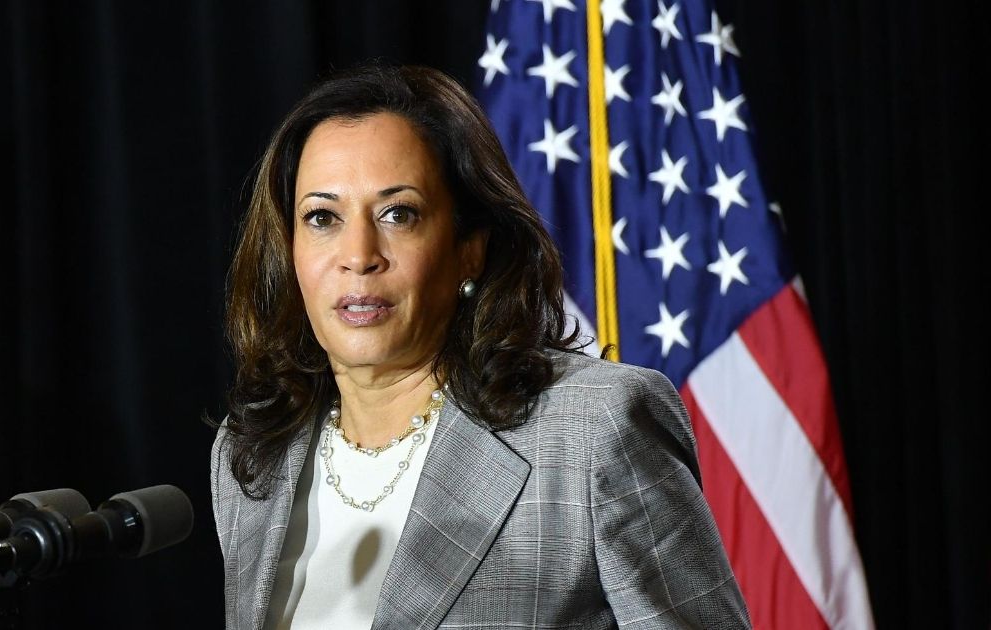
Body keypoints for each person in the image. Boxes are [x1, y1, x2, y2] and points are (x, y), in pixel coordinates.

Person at [210, 63, 751, 629]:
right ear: (289, 249)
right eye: (322, 217)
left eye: (399, 214)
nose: (359, 254)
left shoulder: (592, 431)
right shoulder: (254, 454)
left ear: (469, 247)